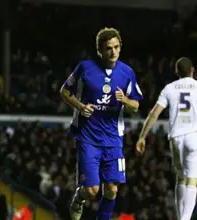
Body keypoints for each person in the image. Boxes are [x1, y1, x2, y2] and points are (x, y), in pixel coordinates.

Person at [60, 27, 143, 220]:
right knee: (91, 191)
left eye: (116, 47)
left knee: (112, 189)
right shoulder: (85, 68)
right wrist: (80, 107)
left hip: (113, 138)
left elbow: (136, 106)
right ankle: (79, 198)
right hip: (88, 137)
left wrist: (125, 101)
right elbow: (64, 91)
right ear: (100, 50)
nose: (113, 52)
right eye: (108, 48)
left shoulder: (127, 72)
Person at [135, 57, 197, 220]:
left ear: (176, 71)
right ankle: (184, 218)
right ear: (192, 71)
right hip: (195, 136)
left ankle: (181, 217)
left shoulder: (169, 88)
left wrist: (142, 137)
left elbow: (154, 114)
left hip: (176, 137)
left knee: (180, 177)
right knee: (192, 180)